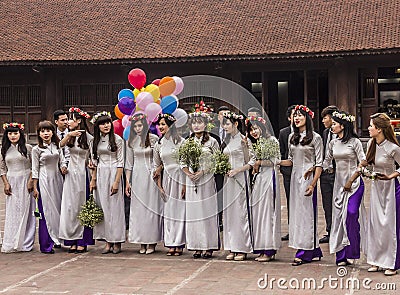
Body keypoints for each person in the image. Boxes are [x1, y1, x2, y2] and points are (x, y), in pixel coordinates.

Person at [280, 105, 323, 266]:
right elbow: (290, 160)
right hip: (295, 177)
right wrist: (274, 161)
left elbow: (319, 163)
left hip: (307, 177)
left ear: (307, 118)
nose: (296, 118)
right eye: (295, 116)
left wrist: (313, 184)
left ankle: (304, 252)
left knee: (307, 214)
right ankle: (313, 249)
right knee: (297, 213)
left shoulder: (316, 138)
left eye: (300, 115)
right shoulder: (292, 136)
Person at [322, 110, 367, 266]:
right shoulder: (332, 143)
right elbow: (326, 162)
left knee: (351, 213)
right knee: (339, 218)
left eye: (334, 124)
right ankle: (341, 255)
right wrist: (315, 170)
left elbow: (363, 162)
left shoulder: (355, 142)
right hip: (339, 185)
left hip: (354, 184)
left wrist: (351, 180)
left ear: (343, 125)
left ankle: (353, 249)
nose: (332, 126)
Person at [365, 113, 400, 276]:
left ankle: (392, 262)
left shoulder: (393, 148)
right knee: (376, 224)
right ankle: (376, 260)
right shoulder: (371, 145)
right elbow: (370, 167)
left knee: (389, 225)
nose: (368, 128)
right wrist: (366, 171)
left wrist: (391, 175)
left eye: (371, 125)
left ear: (379, 129)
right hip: (376, 188)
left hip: (391, 189)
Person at [182, 111, 220, 259]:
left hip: (206, 180)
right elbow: (182, 161)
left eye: (199, 122)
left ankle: (208, 245)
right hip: (191, 181)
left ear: (205, 124)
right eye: (194, 123)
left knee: (206, 211)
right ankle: (196, 245)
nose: (196, 125)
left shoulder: (212, 141)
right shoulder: (187, 142)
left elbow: (217, 160)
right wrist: (189, 173)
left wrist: (203, 172)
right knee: (194, 213)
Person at [125, 113, 162, 255]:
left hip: (151, 176)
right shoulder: (131, 142)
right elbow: (129, 164)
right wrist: (128, 182)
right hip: (137, 176)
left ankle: (152, 241)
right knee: (139, 210)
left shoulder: (154, 139)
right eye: (135, 126)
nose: (138, 128)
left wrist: (157, 172)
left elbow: (158, 160)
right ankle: (142, 241)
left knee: (151, 208)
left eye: (140, 125)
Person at [58, 107, 94, 253]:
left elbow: (93, 157)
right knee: (70, 207)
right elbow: (59, 146)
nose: (67, 122)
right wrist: (69, 135)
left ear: (79, 121)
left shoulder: (89, 138)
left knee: (82, 206)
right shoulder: (68, 136)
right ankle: (71, 240)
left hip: (83, 174)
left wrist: (92, 171)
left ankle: (82, 240)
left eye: (70, 119)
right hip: (70, 174)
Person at [90, 111, 125, 254]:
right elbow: (94, 161)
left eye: (108, 123)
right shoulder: (94, 141)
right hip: (101, 174)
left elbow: (121, 162)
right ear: (97, 126)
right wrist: (93, 179)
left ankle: (117, 241)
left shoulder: (117, 140)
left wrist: (116, 182)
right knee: (103, 207)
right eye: (103, 123)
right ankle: (108, 241)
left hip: (113, 172)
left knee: (115, 209)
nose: (106, 126)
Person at [247, 116, 281, 262]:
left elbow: (276, 160)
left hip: (269, 178)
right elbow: (251, 160)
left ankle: (269, 249)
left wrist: (260, 162)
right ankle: (260, 248)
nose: (254, 132)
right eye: (251, 130)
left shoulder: (272, 140)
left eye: (256, 128)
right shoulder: (253, 143)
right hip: (258, 179)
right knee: (258, 213)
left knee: (268, 213)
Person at [221, 111, 255, 261]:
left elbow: (252, 161)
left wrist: (238, 170)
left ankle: (242, 247)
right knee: (229, 214)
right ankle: (232, 247)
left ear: (235, 124)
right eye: (224, 124)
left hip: (240, 179)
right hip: (228, 181)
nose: (225, 127)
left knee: (240, 213)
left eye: (227, 124)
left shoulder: (244, 140)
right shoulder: (226, 141)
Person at [153, 113, 186, 256]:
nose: (160, 127)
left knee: (180, 210)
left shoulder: (182, 142)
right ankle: (171, 243)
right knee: (169, 212)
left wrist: (185, 184)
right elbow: (157, 166)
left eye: (163, 124)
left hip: (180, 176)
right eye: (159, 124)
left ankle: (179, 243)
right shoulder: (158, 144)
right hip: (166, 177)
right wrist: (159, 186)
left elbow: (186, 163)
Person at [32, 121, 66, 253]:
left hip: (57, 180)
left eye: (48, 130)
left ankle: (57, 238)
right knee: (46, 211)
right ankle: (46, 244)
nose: (46, 134)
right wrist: (35, 187)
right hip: (44, 181)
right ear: (39, 134)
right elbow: (34, 169)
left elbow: (62, 160)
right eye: (42, 131)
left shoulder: (57, 146)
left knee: (58, 209)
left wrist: (64, 167)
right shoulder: (36, 150)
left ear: (53, 132)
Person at [0, 122, 35, 253]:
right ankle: (12, 239)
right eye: (10, 133)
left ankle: (26, 242)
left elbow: (34, 165)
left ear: (20, 134)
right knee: (13, 211)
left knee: (27, 210)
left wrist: (31, 180)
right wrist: (6, 183)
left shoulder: (28, 148)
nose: (13, 136)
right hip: (12, 181)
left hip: (25, 180)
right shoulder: (3, 150)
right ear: (6, 135)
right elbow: (2, 168)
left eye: (15, 133)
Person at [319, 105, 339, 244]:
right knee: (327, 203)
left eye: (325, 118)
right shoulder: (325, 133)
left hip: (337, 173)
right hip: (325, 174)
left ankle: (339, 231)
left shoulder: (342, 132)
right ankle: (330, 230)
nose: (323, 121)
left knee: (338, 202)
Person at [278, 105, 295, 241]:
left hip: (303, 173)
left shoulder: (308, 133)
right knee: (291, 200)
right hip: (288, 172)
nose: (296, 118)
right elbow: (282, 152)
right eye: (294, 115)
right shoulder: (283, 133)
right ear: (289, 118)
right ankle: (292, 229)